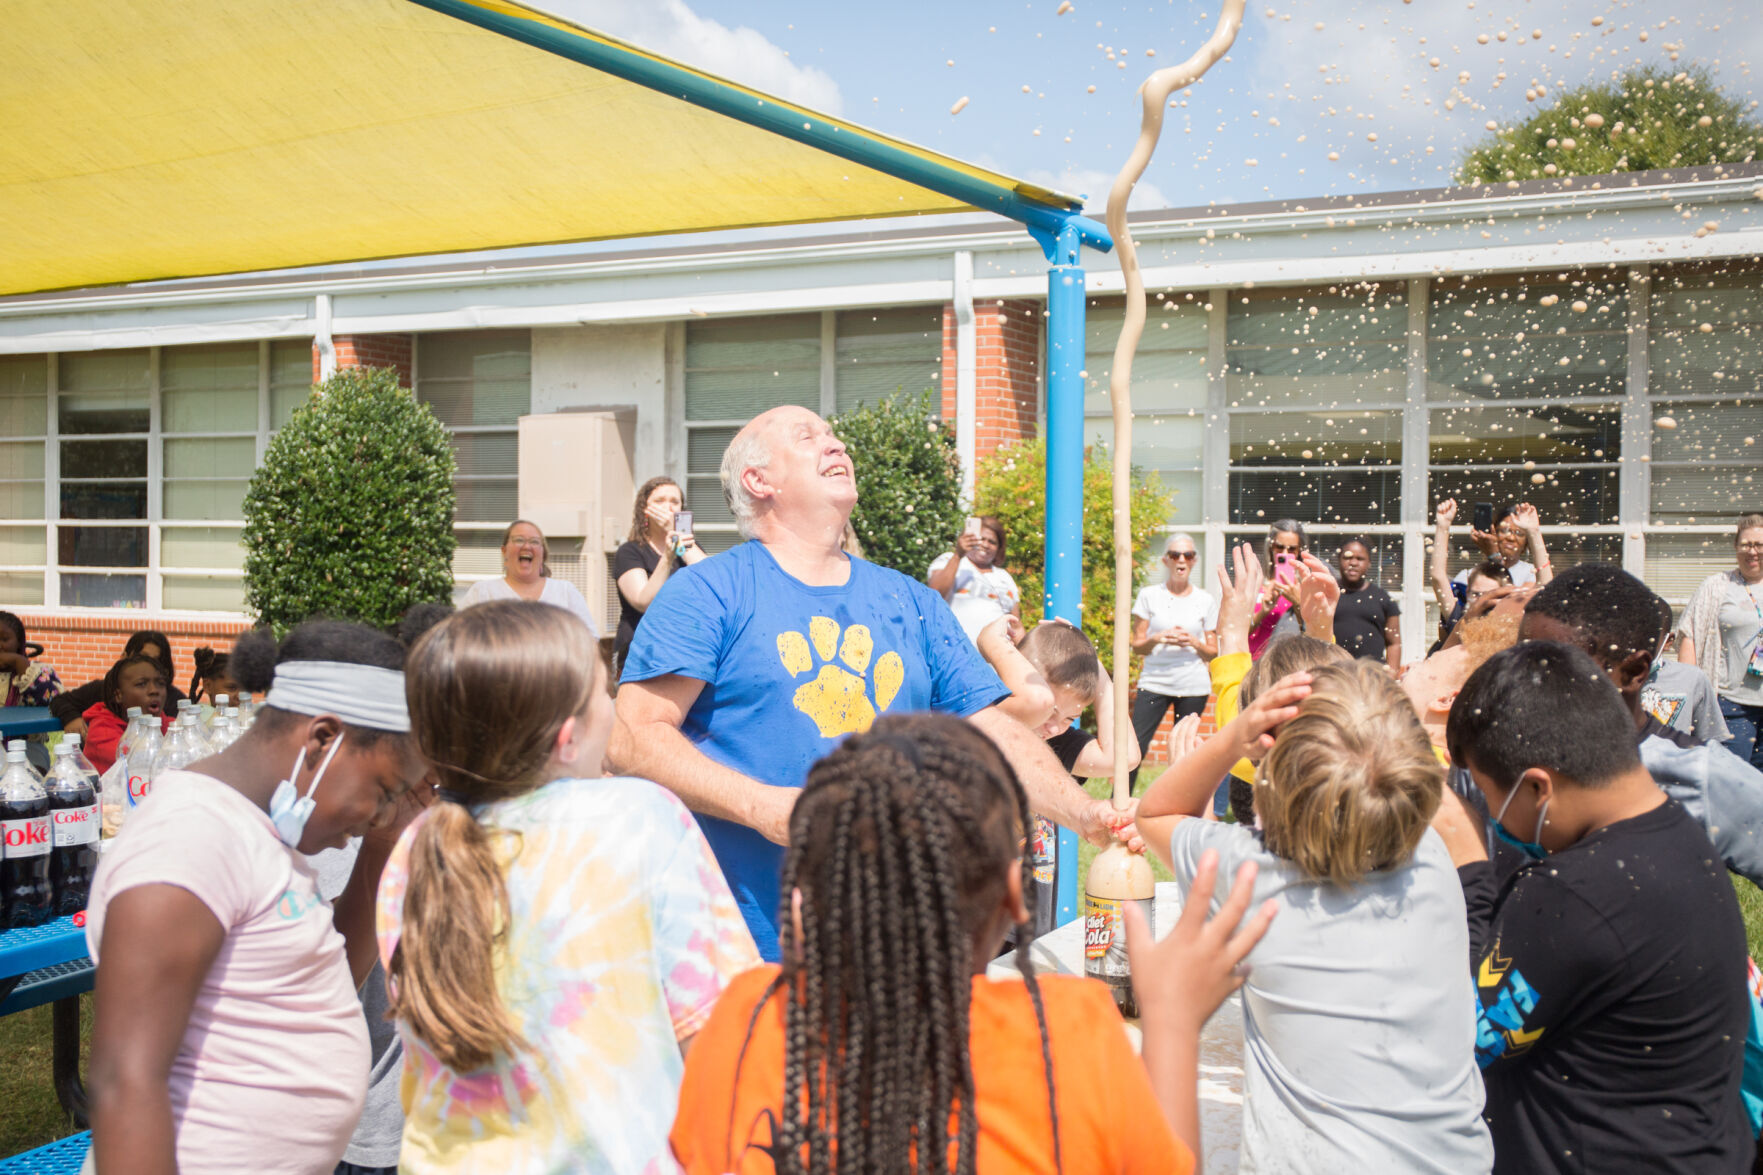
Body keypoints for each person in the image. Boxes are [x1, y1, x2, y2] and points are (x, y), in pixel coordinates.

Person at [613, 405, 1133, 962]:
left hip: (892, 951)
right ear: (757, 480)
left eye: (835, 434)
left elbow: (992, 731)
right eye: (808, 436)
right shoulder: (707, 592)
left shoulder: (908, 600)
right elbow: (632, 740)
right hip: (741, 953)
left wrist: (1086, 813)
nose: (835, 444)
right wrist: (764, 807)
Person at [669, 713, 1275, 1175]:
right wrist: (1171, 1024)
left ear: (807, 892)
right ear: (1015, 896)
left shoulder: (745, 1019)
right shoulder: (1067, 1036)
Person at [379, 599, 758, 1174]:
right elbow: (718, 1032)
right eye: (605, 693)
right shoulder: (640, 819)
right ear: (566, 737)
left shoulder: (419, 844)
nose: (615, 708)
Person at [85, 620, 426, 1175]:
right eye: (383, 792)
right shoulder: (191, 838)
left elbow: (319, 975)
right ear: (321, 739)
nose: (380, 816)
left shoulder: (260, 836)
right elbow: (126, 1080)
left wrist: (387, 840)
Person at [1136, 659, 1493, 1173]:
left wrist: (1233, 735)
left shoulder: (1251, 877)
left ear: (1270, 780)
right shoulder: (1434, 858)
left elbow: (1155, 814)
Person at [1438, 641, 1751, 1174]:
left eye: (1491, 799)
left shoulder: (1574, 894)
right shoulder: (1674, 836)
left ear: (1538, 787)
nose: (1491, 816)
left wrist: (1469, 864)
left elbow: (1463, 1042)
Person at [1519, 563, 1763, 889]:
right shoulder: (1502, 762)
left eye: (1556, 667)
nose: (1526, 681)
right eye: (1520, 659)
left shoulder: (1697, 775)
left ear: (1634, 672)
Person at [1128, 533, 1217, 788]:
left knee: (1184, 750)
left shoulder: (1205, 600)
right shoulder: (1149, 596)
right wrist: (1159, 638)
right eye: (1175, 555)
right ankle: (1119, 803)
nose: (1181, 560)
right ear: (1165, 560)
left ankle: (1179, 806)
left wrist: (1194, 642)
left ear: (1194, 561)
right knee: (1135, 746)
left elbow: (1213, 652)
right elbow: (1137, 647)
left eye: (1187, 555)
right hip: (1155, 681)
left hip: (1193, 685)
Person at [1680, 512, 1763, 771]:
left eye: (1759, 545)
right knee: (1730, 781)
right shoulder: (1717, 586)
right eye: (1746, 544)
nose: (1753, 551)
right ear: (1736, 547)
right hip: (1731, 707)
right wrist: (1690, 693)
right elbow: (1690, 634)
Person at [613, 476, 707, 673]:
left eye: (675, 501)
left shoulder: (690, 548)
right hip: (639, 655)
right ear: (644, 510)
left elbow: (712, 582)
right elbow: (643, 602)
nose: (668, 507)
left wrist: (679, 536)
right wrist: (667, 557)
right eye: (660, 501)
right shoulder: (630, 551)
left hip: (683, 652)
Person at [460, 519, 599, 637]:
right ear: (504, 551)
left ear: (542, 554)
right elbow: (459, 635)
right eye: (519, 540)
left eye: (534, 542)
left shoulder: (565, 591)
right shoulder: (482, 592)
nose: (527, 546)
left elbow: (589, 638)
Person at [51, 629, 187, 737]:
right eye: (142, 658)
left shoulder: (173, 701)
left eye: (156, 662)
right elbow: (60, 701)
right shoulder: (102, 692)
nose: (148, 666)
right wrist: (71, 718)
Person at [927, 515, 1021, 643]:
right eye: (981, 539)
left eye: (992, 542)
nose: (986, 544)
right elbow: (935, 595)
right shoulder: (950, 560)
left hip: (995, 658)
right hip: (954, 653)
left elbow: (1016, 626)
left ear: (999, 549)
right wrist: (958, 555)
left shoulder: (1004, 576)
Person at [80, 653, 173, 775]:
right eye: (142, 684)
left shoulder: (163, 721)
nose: (154, 690)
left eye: (160, 683)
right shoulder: (101, 731)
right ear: (118, 695)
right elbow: (139, 761)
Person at [1644, 629, 1729, 743]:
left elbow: (1711, 743)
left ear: (1668, 641)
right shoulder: (1612, 678)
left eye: (1645, 638)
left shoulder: (1691, 678)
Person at [1332, 539, 1401, 669]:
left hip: (1373, 676)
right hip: (1336, 674)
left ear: (1369, 563)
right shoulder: (1328, 595)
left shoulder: (1382, 598)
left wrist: (1392, 674)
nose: (1353, 563)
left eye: (1360, 558)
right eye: (1347, 557)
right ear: (1338, 560)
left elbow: (1394, 643)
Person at [1247, 519, 1307, 656]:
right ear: (1271, 547)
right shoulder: (1256, 583)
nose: (1285, 553)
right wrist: (1263, 611)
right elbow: (1239, 633)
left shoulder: (1305, 586)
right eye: (1279, 547)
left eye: (1292, 549)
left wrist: (1298, 603)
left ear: (1299, 551)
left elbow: (1312, 632)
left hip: (1289, 663)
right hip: (1255, 664)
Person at [0, 610, 62, 708]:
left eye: (5, 639)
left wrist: (19, 662)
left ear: (19, 642)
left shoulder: (40, 671)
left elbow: (52, 703)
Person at [187, 647, 240, 713]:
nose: (240, 696)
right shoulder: (202, 719)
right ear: (208, 686)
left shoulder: (247, 717)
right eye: (232, 688)